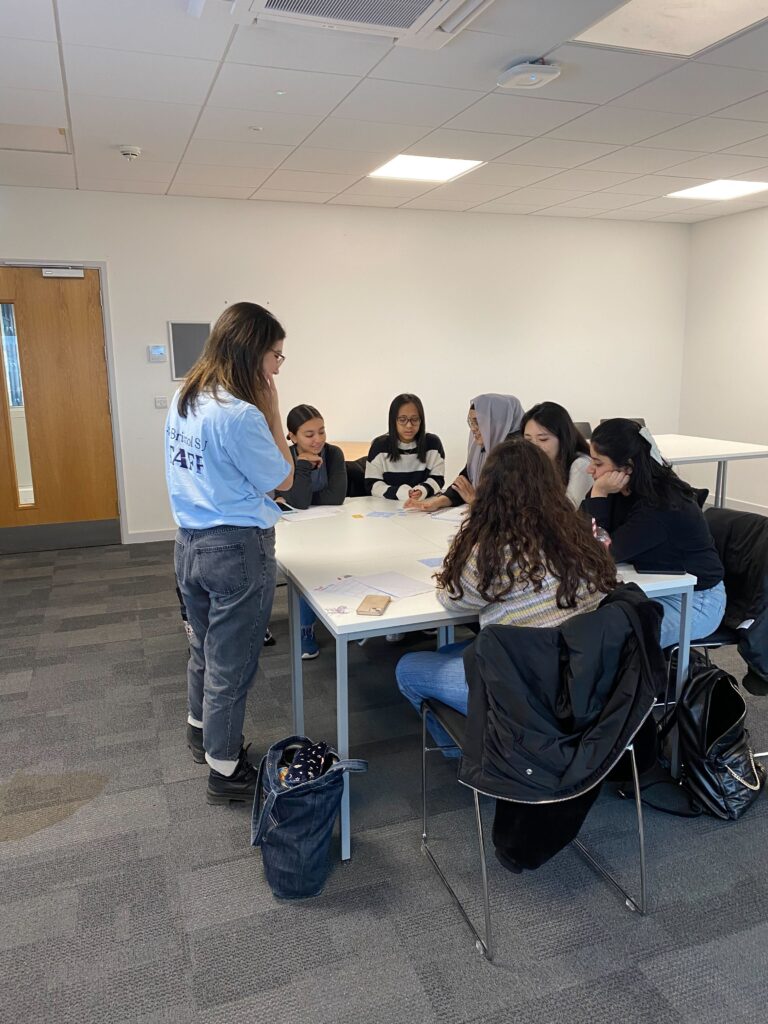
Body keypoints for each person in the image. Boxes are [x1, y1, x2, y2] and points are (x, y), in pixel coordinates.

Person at [396, 439, 617, 751]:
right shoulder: (581, 533)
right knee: (450, 654)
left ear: (491, 489)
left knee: (407, 667)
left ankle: (469, 756)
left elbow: (454, 599)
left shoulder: (491, 549)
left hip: (523, 688)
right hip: (581, 679)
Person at [165, 301, 294, 805]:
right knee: (232, 663)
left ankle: (200, 731)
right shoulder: (241, 415)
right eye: (276, 357)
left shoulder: (186, 396)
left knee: (203, 645)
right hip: (236, 548)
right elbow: (283, 478)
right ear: (252, 354)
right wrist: (273, 406)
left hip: (189, 544)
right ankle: (226, 767)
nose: (279, 367)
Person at [584, 418, 726, 649]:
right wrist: (599, 494)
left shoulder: (660, 505)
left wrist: (598, 494)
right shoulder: (624, 488)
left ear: (627, 467)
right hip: (655, 588)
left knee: (613, 641)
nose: (591, 469)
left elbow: (601, 554)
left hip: (695, 601)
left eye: (598, 463)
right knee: (583, 621)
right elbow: (581, 536)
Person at [275, 404, 347, 659]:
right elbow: (300, 502)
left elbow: (337, 496)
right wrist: (303, 466)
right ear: (292, 437)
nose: (317, 440)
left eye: (321, 431)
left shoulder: (334, 454)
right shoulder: (284, 456)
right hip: (293, 529)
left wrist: (293, 497)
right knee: (304, 570)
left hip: (331, 524)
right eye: (308, 434)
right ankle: (306, 629)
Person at [405, 393, 523, 511]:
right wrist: (438, 501)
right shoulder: (480, 447)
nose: (473, 428)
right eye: (471, 422)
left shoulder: (516, 456)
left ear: (499, 423)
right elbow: (464, 482)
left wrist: (475, 501)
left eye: (479, 422)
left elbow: (512, 509)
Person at [365, 393, 445, 501]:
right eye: (402, 420)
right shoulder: (379, 446)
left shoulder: (433, 444)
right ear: (393, 421)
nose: (409, 425)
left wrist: (422, 490)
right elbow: (372, 484)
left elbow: (438, 479)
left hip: (422, 505)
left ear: (421, 420)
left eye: (414, 419)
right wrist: (400, 493)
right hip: (388, 506)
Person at [521, 401, 592, 508]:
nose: (534, 446)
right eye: (528, 439)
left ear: (563, 438)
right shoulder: (529, 464)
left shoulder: (581, 465)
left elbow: (567, 512)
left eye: (543, 439)